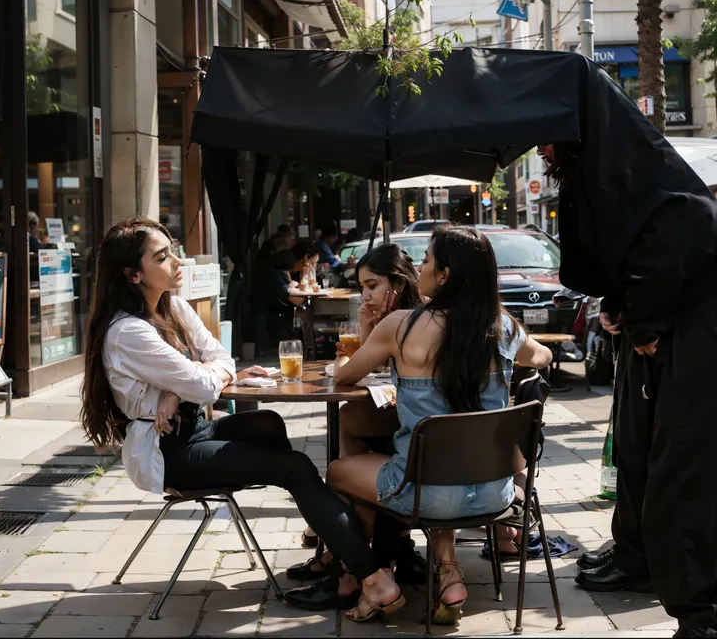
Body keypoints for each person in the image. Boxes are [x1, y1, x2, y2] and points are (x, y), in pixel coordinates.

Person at [80, 218, 405, 621]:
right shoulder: (128, 332)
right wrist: (187, 383)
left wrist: (174, 389)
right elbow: (203, 382)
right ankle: (369, 576)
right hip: (167, 451)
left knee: (268, 423)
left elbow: (222, 360)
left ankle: (335, 555)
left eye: (173, 249)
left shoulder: (174, 307)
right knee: (296, 465)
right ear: (133, 275)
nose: (177, 261)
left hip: (194, 427)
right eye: (162, 257)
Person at [290, 225, 552, 623]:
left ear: (444, 275)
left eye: (427, 260)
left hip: (425, 496)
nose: (420, 267)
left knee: (342, 471)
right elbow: (543, 358)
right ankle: (447, 569)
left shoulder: (402, 325)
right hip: (497, 493)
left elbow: (344, 377)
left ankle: (366, 576)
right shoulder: (501, 326)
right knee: (439, 462)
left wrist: (364, 336)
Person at [540, 139, 717, 638]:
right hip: (678, 354)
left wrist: (645, 329)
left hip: (690, 357)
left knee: (678, 482)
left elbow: (661, 269)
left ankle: (698, 614)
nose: (543, 151)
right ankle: (688, 601)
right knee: (662, 473)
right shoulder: (674, 207)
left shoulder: (681, 210)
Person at [287, 244, 427, 602]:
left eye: (372, 285)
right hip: (429, 433)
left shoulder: (407, 318)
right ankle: (366, 552)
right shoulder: (418, 314)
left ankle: (348, 561)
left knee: (344, 446)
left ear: (396, 282)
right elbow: (376, 370)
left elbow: (346, 373)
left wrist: (361, 341)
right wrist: (367, 330)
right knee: (349, 421)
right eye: (362, 286)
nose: (365, 294)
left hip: (417, 437)